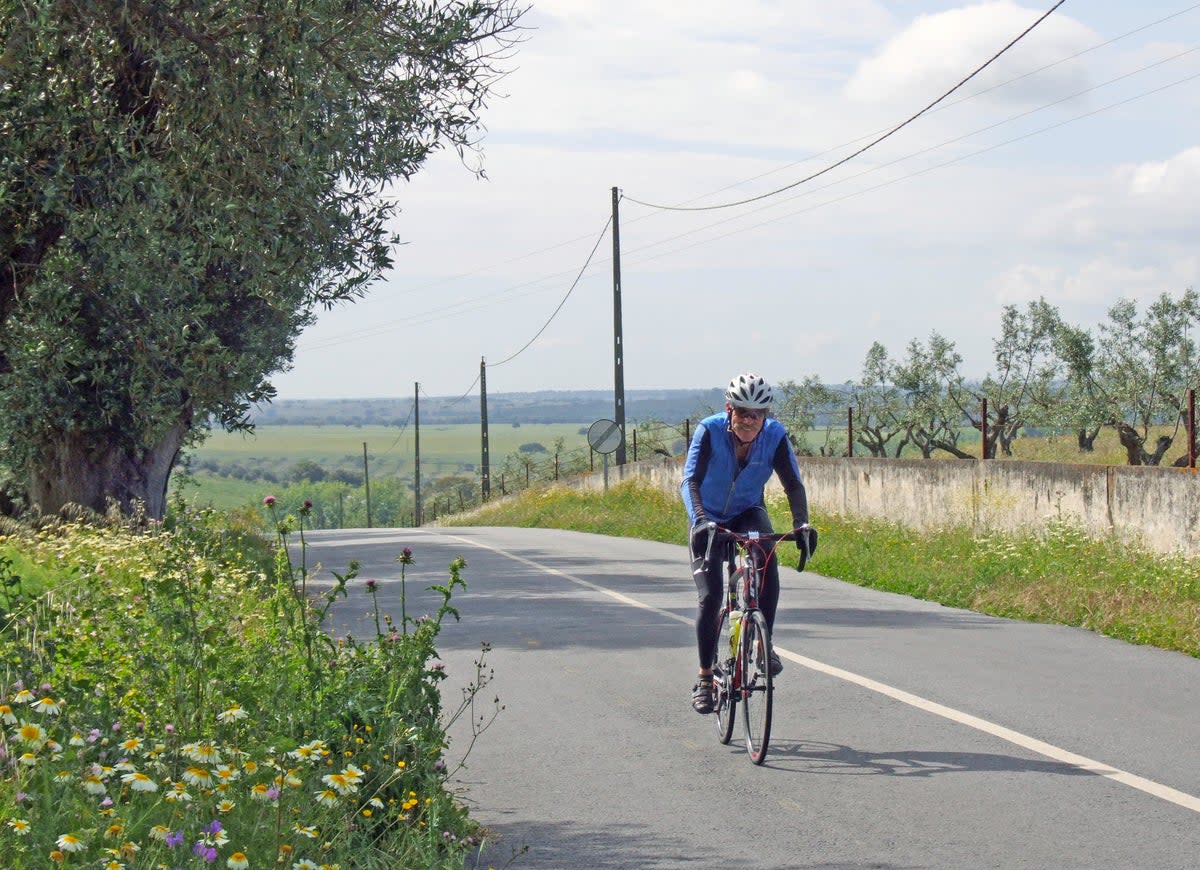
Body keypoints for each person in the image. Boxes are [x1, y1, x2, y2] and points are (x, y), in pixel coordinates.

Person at [680, 372, 817, 714]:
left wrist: (801, 524)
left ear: (766, 415)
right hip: (707, 515)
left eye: (757, 414)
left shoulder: (774, 436)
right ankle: (704, 677)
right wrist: (699, 520)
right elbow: (690, 480)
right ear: (730, 409)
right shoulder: (709, 431)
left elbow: (793, 485)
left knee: (766, 556)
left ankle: (762, 644)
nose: (749, 420)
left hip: (747, 510)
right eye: (742, 412)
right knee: (710, 597)